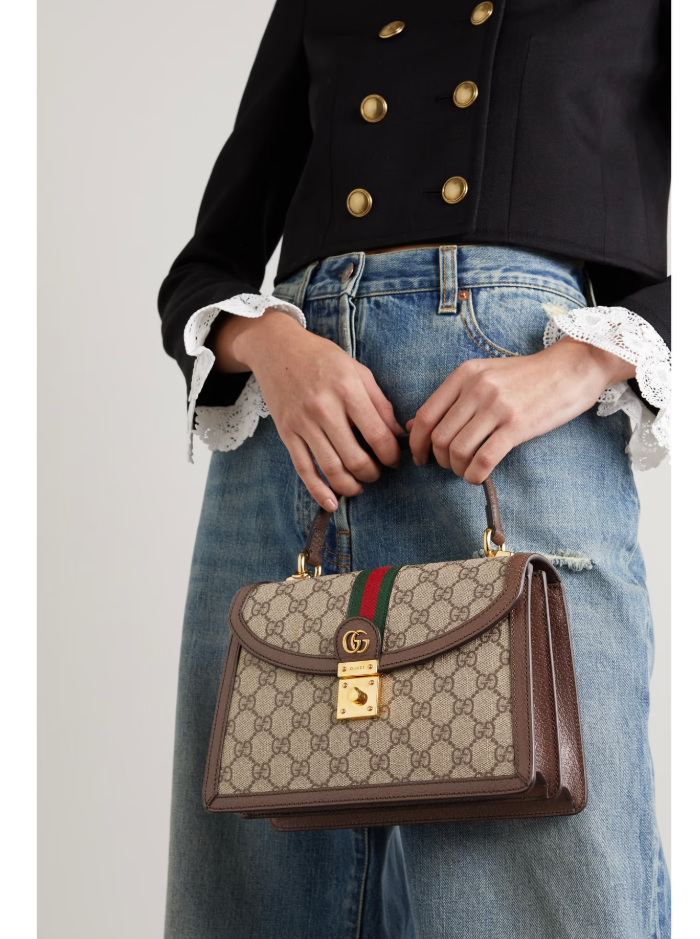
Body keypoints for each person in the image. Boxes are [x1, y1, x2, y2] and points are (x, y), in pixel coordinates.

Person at [158, 2, 671, 937]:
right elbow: (206, 266)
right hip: (299, 440)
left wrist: (579, 364)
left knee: (544, 885)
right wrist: (274, 345)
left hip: (515, 440)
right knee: (251, 885)